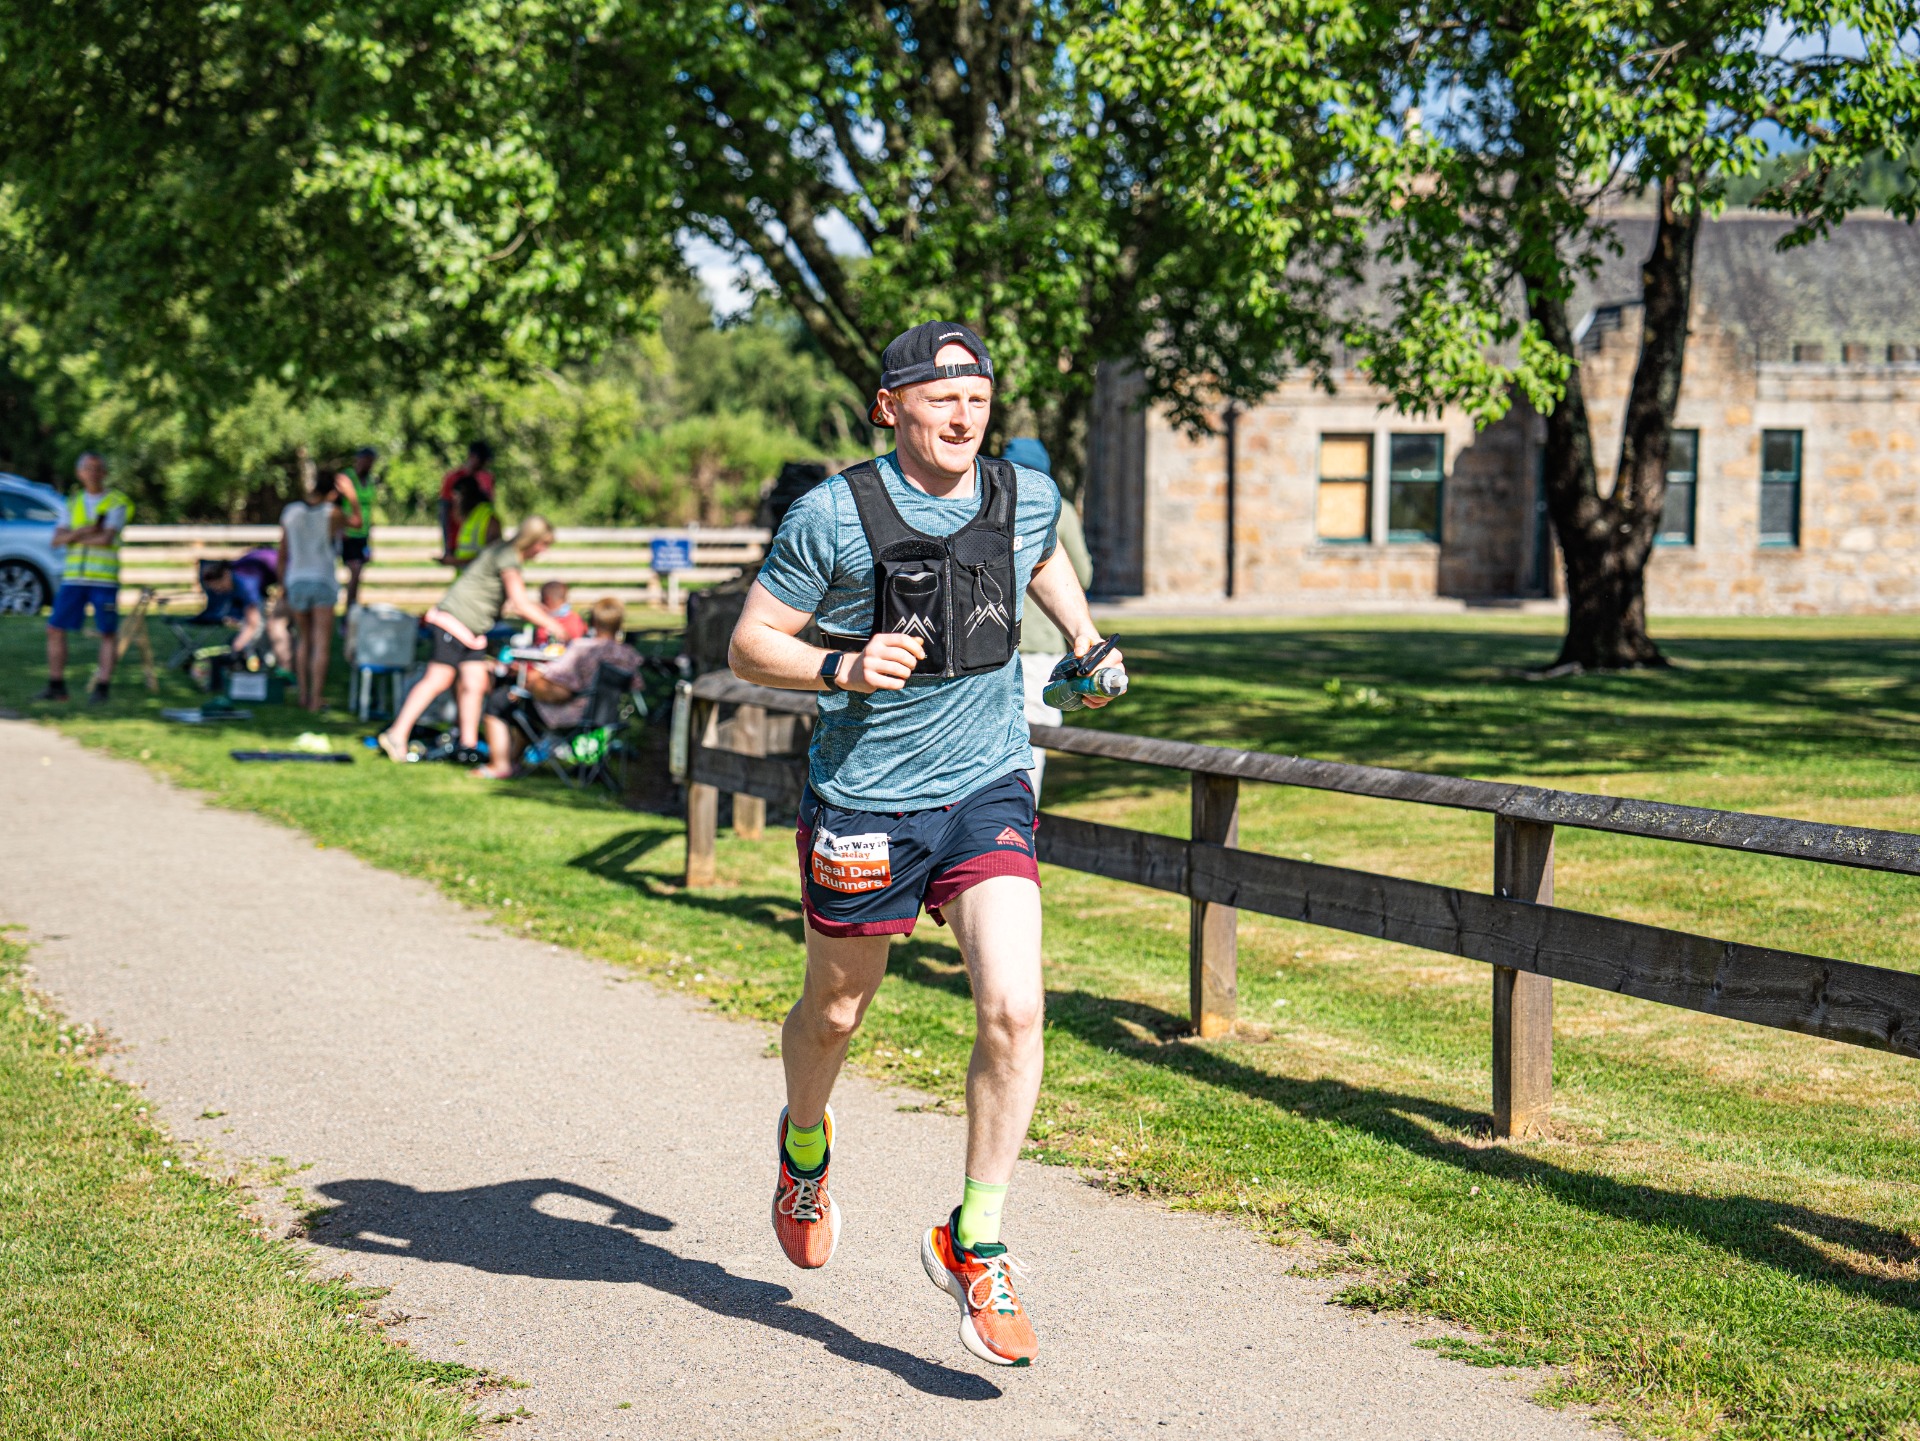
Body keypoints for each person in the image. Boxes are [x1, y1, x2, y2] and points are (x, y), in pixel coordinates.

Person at [728, 320, 1122, 1368]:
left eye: (978, 398)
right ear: (890, 407)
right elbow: (750, 642)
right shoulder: (833, 514)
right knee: (835, 1012)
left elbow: (1040, 554)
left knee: (1016, 1005)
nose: (963, 416)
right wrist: (843, 667)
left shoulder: (1022, 493)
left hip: (986, 784)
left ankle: (974, 1239)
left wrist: (1084, 638)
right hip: (865, 799)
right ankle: (803, 1148)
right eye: (942, 398)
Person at [376, 516, 570, 765]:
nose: (543, 551)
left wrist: (540, 612)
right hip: (455, 621)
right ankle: (397, 734)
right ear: (531, 540)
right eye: (543, 544)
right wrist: (554, 625)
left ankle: (467, 746)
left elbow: (515, 601)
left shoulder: (504, 553)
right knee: (438, 678)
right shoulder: (507, 555)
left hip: (473, 631)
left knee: (475, 683)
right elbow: (520, 603)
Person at [1002, 437, 1093, 802]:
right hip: (1041, 646)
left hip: (989, 644)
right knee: (1033, 745)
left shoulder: (986, 502)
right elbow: (1082, 575)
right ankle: (1023, 823)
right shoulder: (1060, 508)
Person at [476, 595, 641, 778]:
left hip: (569, 714)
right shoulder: (628, 654)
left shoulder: (582, 648)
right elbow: (636, 685)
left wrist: (526, 683)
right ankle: (513, 761)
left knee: (499, 701)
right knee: (526, 709)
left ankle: (500, 765)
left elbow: (554, 676)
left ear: (593, 621)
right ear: (619, 623)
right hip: (607, 716)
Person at [37, 453, 129, 705]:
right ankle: (56, 685)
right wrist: (85, 531)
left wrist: (73, 537)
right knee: (54, 628)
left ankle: (102, 687)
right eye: (88, 468)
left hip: (103, 579)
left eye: (98, 468)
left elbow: (106, 539)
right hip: (74, 578)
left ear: (105, 473)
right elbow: (57, 540)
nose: (93, 473)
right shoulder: (73, 503)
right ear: (80, 473)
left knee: (107, 632)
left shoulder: (116, 502)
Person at [280, 471, 345, 712]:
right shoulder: (332, 513)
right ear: (333, 492)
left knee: (303, 639)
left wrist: (282, 586)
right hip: (322, 580)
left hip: (296, 580)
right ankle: (316, 699)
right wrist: (352, 496)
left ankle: (302, 694)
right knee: (321, 643)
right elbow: (359, 523)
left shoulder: (291, 512)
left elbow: (282, 554)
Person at [331, 447, 376, 609]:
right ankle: (348, 606)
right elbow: (333, 503)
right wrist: (339, 527)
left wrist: (370, 538)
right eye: (366, 460)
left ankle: (352, 606)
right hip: (347, 534)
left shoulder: (370, 481)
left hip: (362, 534)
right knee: (354, 570)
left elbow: (369, 510)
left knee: (358, 572)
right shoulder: (347, 478)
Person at [438, 441, 494, 563]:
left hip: (482, 537)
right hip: (458, 537)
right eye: (482, 461)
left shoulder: (486, 479)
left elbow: (490, 509)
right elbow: (444, 513)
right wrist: (447, 546)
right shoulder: (452, 478)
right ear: (472, 457)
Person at [448, 473, 499, 569]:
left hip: (480, 576)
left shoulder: (487, 517)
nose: (455, 504)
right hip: (468, 575)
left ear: (464, 496)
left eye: (457, 499)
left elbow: (491, 556)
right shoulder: (470, 518)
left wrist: (457, 561)